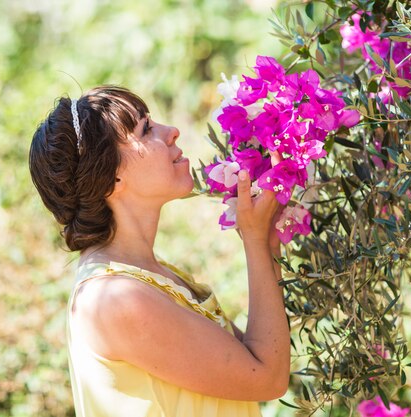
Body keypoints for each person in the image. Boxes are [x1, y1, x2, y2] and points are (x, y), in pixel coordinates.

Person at [29, 86, 290, 417]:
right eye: (146, 130)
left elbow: (258, 355)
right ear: (111, 177)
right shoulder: (114, 298)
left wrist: (266, 242)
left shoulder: (155, 275)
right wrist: (253, 239)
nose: (172, 131)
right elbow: (267, 378)